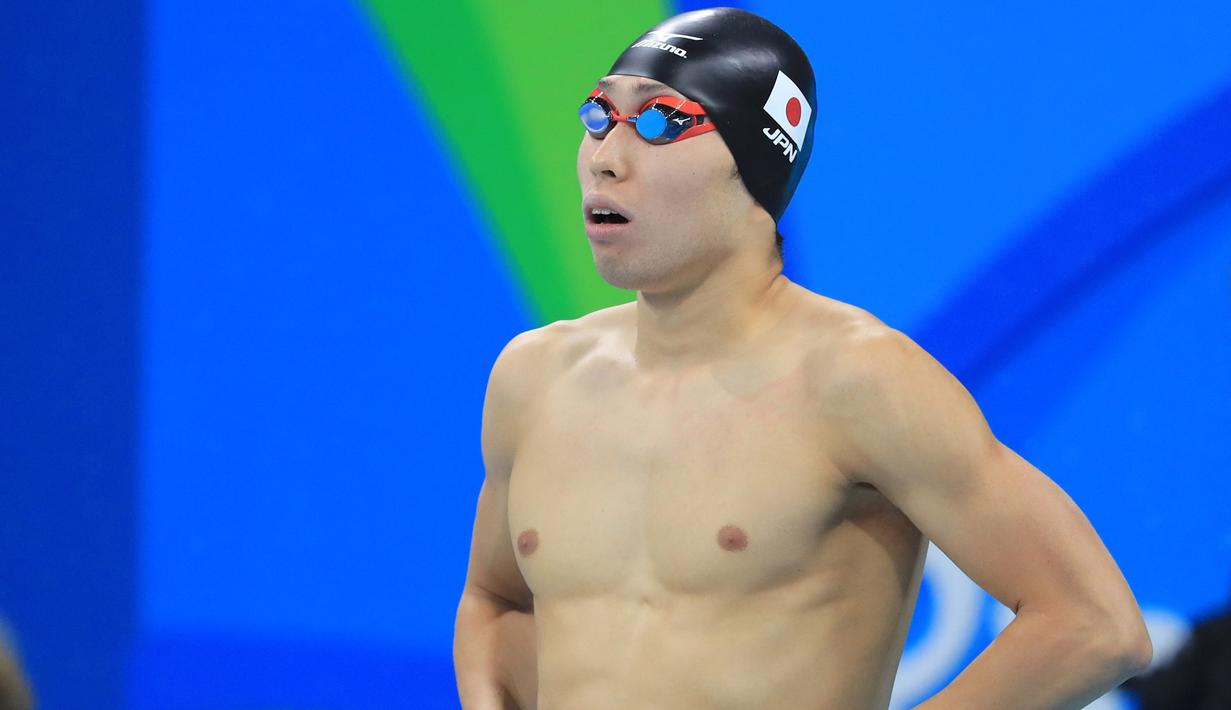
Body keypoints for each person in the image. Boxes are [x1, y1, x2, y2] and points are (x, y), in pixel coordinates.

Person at [453, 8, 1152, 709]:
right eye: (599, 114)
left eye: (661, 122)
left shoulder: (855, 379)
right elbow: (498, 601)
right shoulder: (536, 377)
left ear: (757, 164)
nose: (606, 155)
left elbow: (1092, 623)